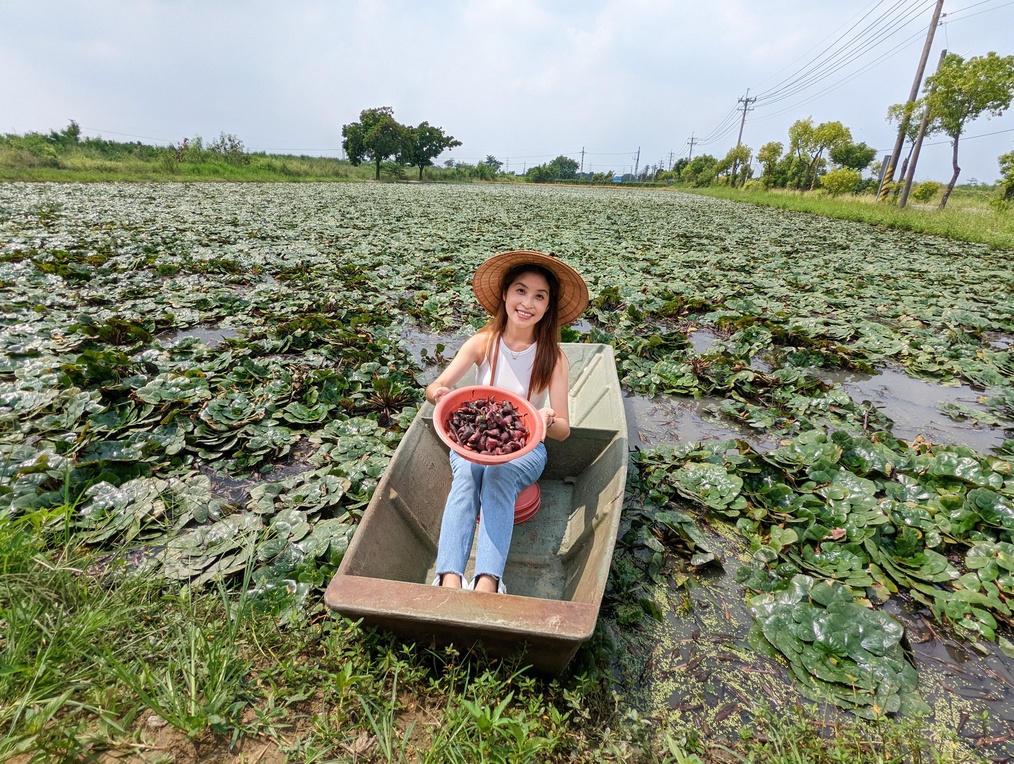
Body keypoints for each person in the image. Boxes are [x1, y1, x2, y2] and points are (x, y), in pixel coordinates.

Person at [425, 250, 589, 594]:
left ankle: (488, 582)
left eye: (539, 296)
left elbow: (563, 430)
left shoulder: (553, 358)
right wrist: (441, 393)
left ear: (548, 308)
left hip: (525, 450)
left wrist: (546, 419)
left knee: (498, 475)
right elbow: (436, 387)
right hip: (473, 444)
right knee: (468, 477)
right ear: (505, 294)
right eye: (520, 290)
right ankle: (449, 578)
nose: (527, 302)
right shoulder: (482, 343)